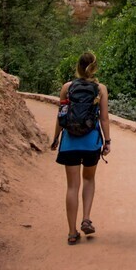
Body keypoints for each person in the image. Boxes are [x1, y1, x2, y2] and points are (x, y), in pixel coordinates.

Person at [51, 52, 111, 245]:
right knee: (89, 179)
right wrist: (107, 141)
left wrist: (55, 138)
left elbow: (61, 116)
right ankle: (86, 218)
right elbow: (104, 118)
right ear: (95, 68)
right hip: (91, 142)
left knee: (72, 186)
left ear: (77, 66)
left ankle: (71, 232)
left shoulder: (67, 88)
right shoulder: (100, 89)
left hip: (70, 143)